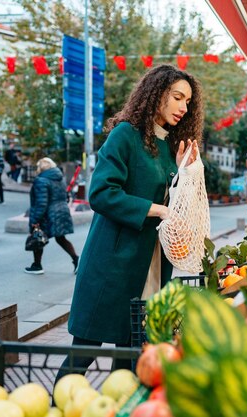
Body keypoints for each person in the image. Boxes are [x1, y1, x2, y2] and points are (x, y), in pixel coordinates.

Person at [56, 64, 203, 379]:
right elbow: (101, 193)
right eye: (178, 97)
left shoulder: (168, 144)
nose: (184, 107)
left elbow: (172, 201)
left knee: (132, 354)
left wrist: (180, 171)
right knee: (84, 350)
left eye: (188, 101)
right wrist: (157, 210)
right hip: (113, 264)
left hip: (150, 265)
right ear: (157, 94)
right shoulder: (126, 134)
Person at [25, 157, 79, 275]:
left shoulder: (41, 180)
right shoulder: (60, 178)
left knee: (37, 237)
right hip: (61, 211)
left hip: (48, 214)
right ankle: (76, 260)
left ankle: (37, 265)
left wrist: (35, 219)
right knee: (61, 238)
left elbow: (41, 202)